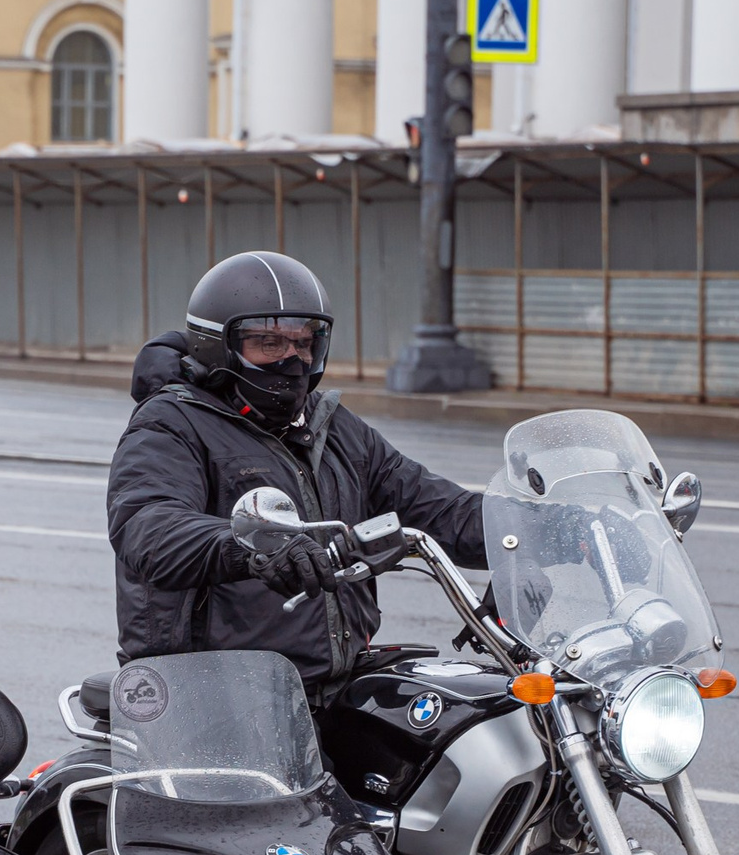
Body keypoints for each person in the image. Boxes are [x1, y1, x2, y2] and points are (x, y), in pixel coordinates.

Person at [107, 251, 486, 686]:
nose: (293, 360)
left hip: (331, 682)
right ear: (220, 346)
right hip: (215, 691)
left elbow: (438, 507)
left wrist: (539, 531)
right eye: (270, 344)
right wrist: (252, 546)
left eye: (303, 343)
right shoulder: (171, 422)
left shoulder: (333, 426)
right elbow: (148, 526)